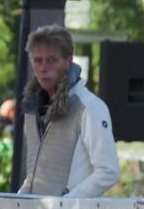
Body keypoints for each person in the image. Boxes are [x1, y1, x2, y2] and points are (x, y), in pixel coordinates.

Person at [17, 25, 119, 198]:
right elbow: (36, 175)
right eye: (37, 60)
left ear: (68, 61)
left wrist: (66, 204)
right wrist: (18, 201)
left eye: (51, 60)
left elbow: (108, 171)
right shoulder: (32, 109)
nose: (43, 68)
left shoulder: (90, 106)